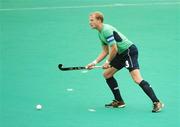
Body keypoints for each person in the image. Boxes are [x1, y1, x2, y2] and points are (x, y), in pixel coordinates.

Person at [86, 11, 164, 112]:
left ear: (99, 20)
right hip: (120, 54)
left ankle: (157, 102)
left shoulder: (106, 30)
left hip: (128, 52)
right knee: (107, 74)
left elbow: (113, 49)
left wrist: (108, 62)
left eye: (92, 20)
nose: (89, 22)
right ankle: (119, 101)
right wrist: (94, 62)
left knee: (137, 78)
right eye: (89, 20)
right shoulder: (100, 33)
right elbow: (106, 50)